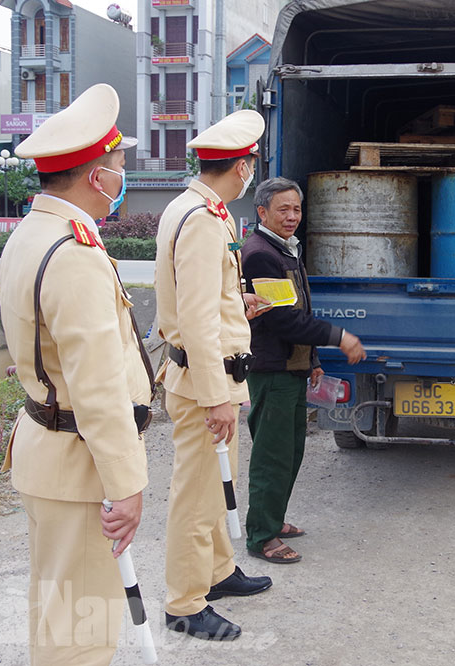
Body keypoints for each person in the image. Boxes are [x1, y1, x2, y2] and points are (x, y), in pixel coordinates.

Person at [0, 83, 150, 664]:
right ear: (96, 178)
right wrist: (125, 484)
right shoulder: (74, 253)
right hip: (79, 461)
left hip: (46, 451)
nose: (119, 177)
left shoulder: (30, 236)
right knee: (82, 633)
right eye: (116, 166)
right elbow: (98, 388)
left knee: (57, 613)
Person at [154, 109, 272, 641]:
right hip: (206, 380)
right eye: (250, 164)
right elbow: (197, 318)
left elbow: (203, 300)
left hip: (216, 371)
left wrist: (238, 304)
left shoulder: (198, 207)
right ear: (242, 167)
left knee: (216, 486)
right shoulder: (202, 219)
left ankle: (218, 572)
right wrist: (214, 397)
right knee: (198, 494)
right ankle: (183, 602)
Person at [241, 177, 366, 564]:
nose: (293, 216)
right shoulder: (261, 253)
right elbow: (282, 320)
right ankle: (262, 536)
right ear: (262, 212)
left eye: (296, 208)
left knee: (291, 451)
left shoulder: (285, 249)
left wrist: (311, 360)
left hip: (292, 367)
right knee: (272, 455)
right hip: (272, 369)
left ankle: (273, 520)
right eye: (284, 209)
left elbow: (299, 309)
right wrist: (338, 336)